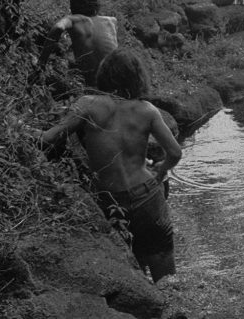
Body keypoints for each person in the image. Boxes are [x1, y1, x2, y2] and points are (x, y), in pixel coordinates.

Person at [37, 48, 182, 283]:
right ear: (137, 78)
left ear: (104, 75)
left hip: (111, 199)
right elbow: (175, 152)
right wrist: (161, 171)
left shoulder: (87, 104)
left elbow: (48, 138)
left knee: (132, 267)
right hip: (147, 195)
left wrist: (17, 128)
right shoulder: (148, 110)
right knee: (165, 271)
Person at [33, 0, 118, 87]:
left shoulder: (73, 19)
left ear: (72, 4)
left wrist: (41, 62)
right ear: (95, 3)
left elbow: (58, 27)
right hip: (120, 83)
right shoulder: (111, 21)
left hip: (96, 90)